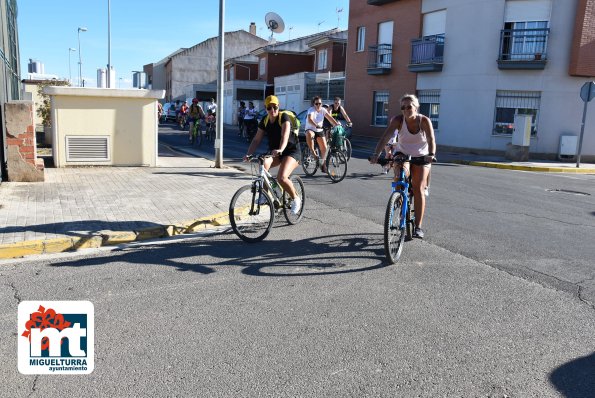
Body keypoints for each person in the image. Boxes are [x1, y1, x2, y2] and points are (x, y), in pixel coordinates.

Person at [369, 93, 436, 239]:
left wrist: (431, 154)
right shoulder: (398, 120)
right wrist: (376, 154)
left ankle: (418, 227)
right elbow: (385, 136)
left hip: (421, 155)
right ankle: (399, 203)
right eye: (403, 107)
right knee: (399, 180)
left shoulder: (424, 120)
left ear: (416, 107)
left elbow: (431, 139)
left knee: (418, 188)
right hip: (403, 153)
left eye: (409, 106)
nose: (406, 109)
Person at [243, 95, 302, 215]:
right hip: (275, 152)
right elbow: (256, 140)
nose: (272, 110)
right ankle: (265, 196)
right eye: (269, 108)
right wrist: (248, 154)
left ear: (278, 106)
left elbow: (285, 135)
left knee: (281, 177)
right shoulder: (265, 121)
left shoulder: (283, 117)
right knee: (263, 165)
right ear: (266, 108)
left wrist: (281, 148)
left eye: (275, 107)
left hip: (291, 151)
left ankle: (296, 199)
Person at [304, 96, 339, 173]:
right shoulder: (311, 110)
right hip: (311, 128)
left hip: (319, 130)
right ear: (314, 104)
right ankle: (313, 153)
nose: (318, 105)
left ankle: (323, 164)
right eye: (316, 104)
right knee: (310, 134)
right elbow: (310, 119)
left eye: (320, 103)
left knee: (325, 149)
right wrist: (315, 124)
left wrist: (336, 124)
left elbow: (330, 118)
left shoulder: (323, 110)